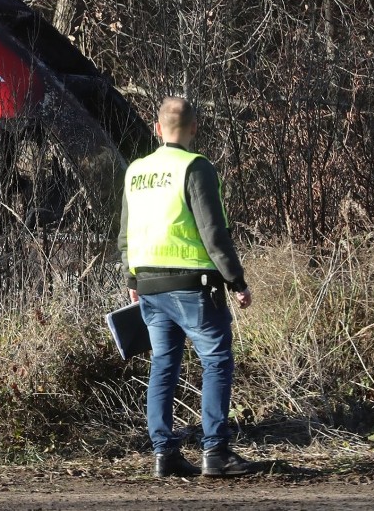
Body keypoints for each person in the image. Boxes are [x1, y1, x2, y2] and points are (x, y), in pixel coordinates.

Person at [118, 96, 255, 478]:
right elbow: (214, 233)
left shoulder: (136, 171)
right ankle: (216, 451)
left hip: (148, 286)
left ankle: (165, 454)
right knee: (216, 361)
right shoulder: (196, 167)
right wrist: (237, 281)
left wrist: (133, 279)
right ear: (194, 128)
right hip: (194, 287)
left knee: (163, 365)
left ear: (157, 129)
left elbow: (125, 233)